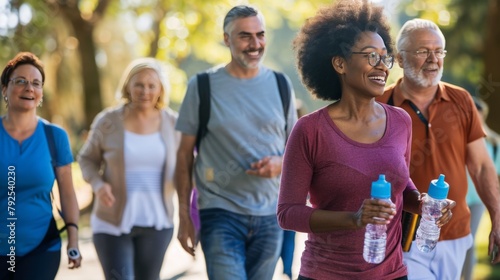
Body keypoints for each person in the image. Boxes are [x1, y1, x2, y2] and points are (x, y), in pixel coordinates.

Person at [277, 1, 454, 279]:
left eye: (386, 57)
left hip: (392, 273)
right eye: (371, 56)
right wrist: (354, 219)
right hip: (325, 273)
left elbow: (400, 185)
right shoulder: (310, 130)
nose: (382, 66)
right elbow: (288, 214)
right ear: (340, 63)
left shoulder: (400, 121)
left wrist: (424, 204)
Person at [174, 4, 297, 280]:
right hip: (220, 212)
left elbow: (295, 149)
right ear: (226, 39)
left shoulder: (280, 83)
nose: (255, 44)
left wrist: (280, 164)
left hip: (270, 214)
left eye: (260, 34)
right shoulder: (202, 86)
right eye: (245, 36)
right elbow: (183, 156)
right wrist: (184, 216)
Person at [377, 18, 500, 279]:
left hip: (456, 234)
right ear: (400, 58)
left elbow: (480, 166)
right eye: (423, 51)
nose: (433, 59)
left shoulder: (461, 100)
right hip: (403, 236)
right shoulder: (379, 104)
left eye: (438, 51)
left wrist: (497, 218)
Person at [78, 58, 180, 280]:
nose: (145, 91)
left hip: (158, 222)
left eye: (151, 85)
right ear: (127, 86)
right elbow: (87, 159)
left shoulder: (173, 123)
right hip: (112, 222)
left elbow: (186, 168)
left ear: (161, 89)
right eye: (139, 85)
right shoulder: (108, 121)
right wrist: (98, 184)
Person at [0, 52, 82, 279]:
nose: (29, 88)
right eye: (20, 81)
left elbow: (67, 192)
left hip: (41, 247)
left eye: (36, 83)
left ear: (41, 94)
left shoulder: (55, 136)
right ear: (5, 89)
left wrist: (73, 239)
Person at [462, 97, 500, 280]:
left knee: (469, 241)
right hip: (458, 198)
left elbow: (493, 174)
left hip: (477, 200)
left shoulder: (493, 143)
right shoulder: (461, 138)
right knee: (455, 241)